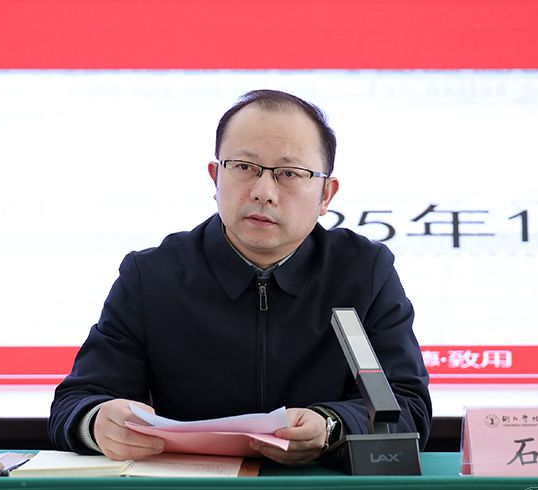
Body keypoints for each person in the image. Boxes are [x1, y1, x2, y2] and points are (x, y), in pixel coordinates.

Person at [48, 89, 431, 466]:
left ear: (326, 195)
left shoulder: (364, 272)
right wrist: (97, 422)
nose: (263, 192)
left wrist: (331, 426)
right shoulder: (151, 276)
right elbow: (75, 403)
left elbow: (408, 408)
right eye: (244, 167)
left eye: (289, 173)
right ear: (215, 177)